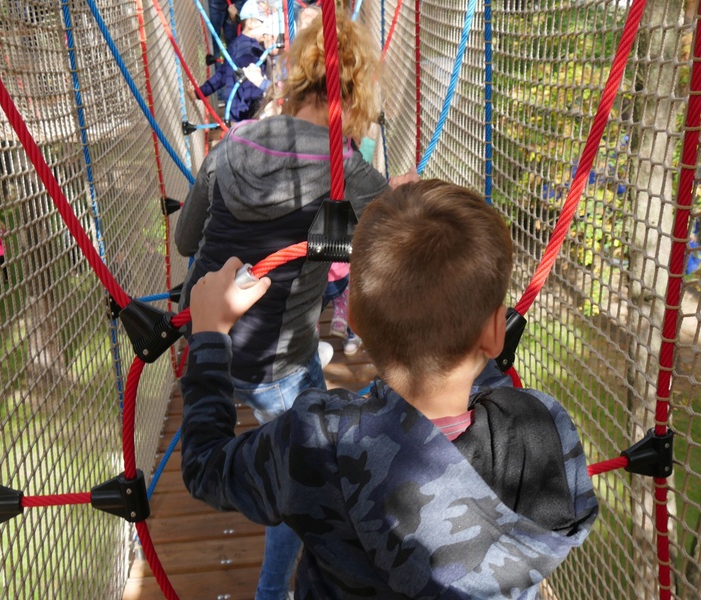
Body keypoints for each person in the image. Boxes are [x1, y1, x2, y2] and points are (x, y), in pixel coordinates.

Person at [181, 180, 599, 599]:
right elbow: (483, 382)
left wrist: (210, 335)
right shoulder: (542, 433)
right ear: (494, 335)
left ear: (355, 321)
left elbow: (205, 466)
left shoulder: (318, 444)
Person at [176, 9, 418, 599]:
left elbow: (186, 241)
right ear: (355, 97)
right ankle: (271, 591)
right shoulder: (349, 174)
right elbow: (387, 254)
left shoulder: (233, 143)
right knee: (299, 473)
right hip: (275, 363)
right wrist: (400, 202)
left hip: (203, 336)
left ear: (297, 79)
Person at [195, 0, 272, 121]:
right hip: (248, 116)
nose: (269, 29)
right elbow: (252, 92)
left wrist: (198, 93)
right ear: (250, 23)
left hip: (234, 115)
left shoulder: (235, 44)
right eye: (265, 24)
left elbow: (220, 76)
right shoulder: (249, 52)